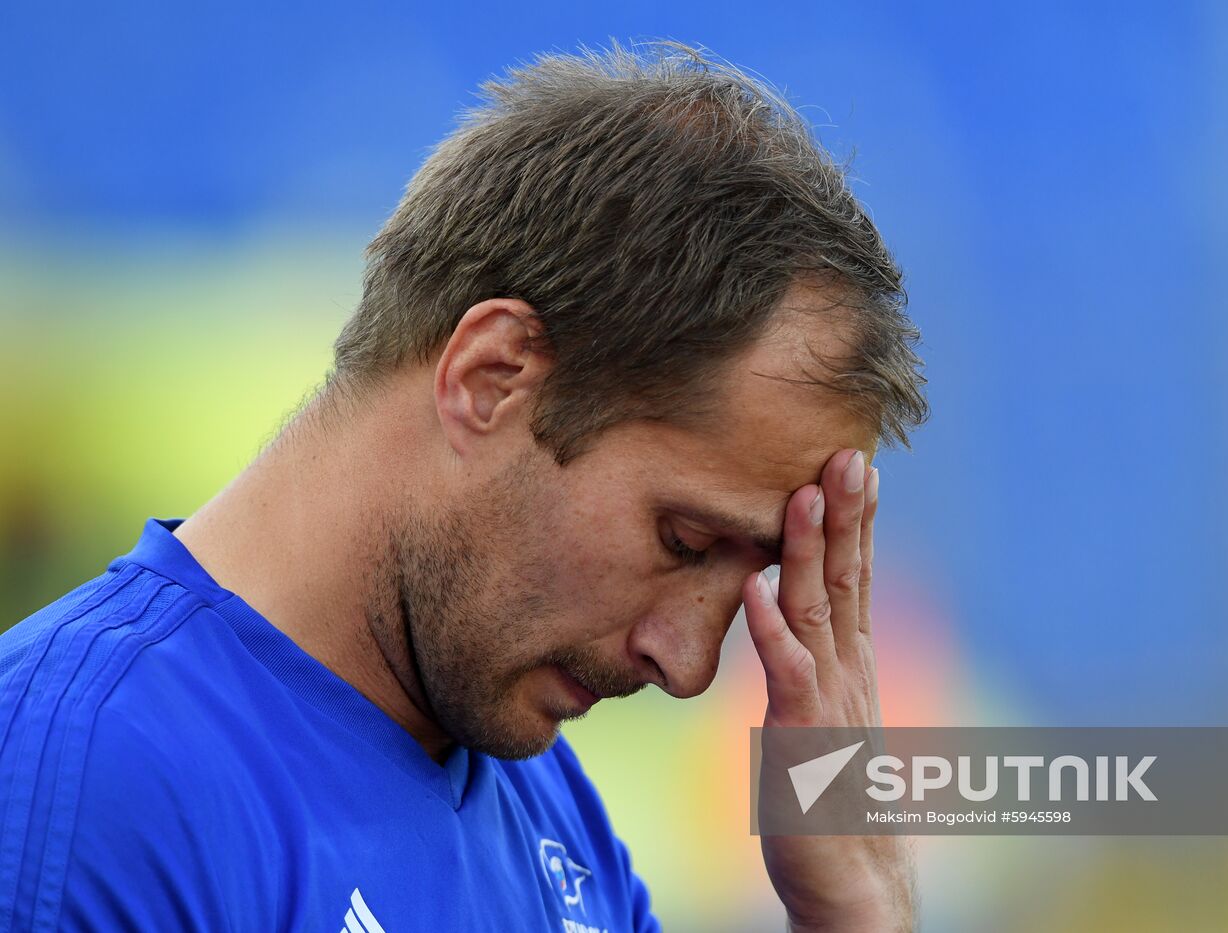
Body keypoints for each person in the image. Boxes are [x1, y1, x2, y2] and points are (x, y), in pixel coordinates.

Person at [0, 42, 927, 932]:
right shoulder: (87, 782)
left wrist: (855, 915)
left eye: (751, 572)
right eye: (682, 541)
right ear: (491, 377)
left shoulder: (552, 816)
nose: (687, 666)